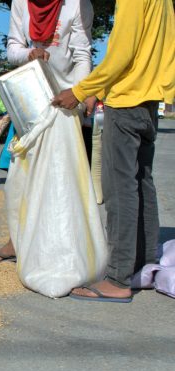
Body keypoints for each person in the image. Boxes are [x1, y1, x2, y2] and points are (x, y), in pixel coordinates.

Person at [53, 0, 174, 302]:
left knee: (119, 189)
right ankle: (141, 264)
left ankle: (118, 278)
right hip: (148, 101)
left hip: (127, 101)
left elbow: (122, 53)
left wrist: (81, 90)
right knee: (141, 183)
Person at [0, 0, 94, 265]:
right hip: (32, 96)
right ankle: (17, 241)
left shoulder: (79, 4)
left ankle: (64, 248)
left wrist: (79, 95)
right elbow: (13, 48)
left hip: (67, 99)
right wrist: (29, 54)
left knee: (63, 175)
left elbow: (82, 55)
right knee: (21, 174)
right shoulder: (21, 3)